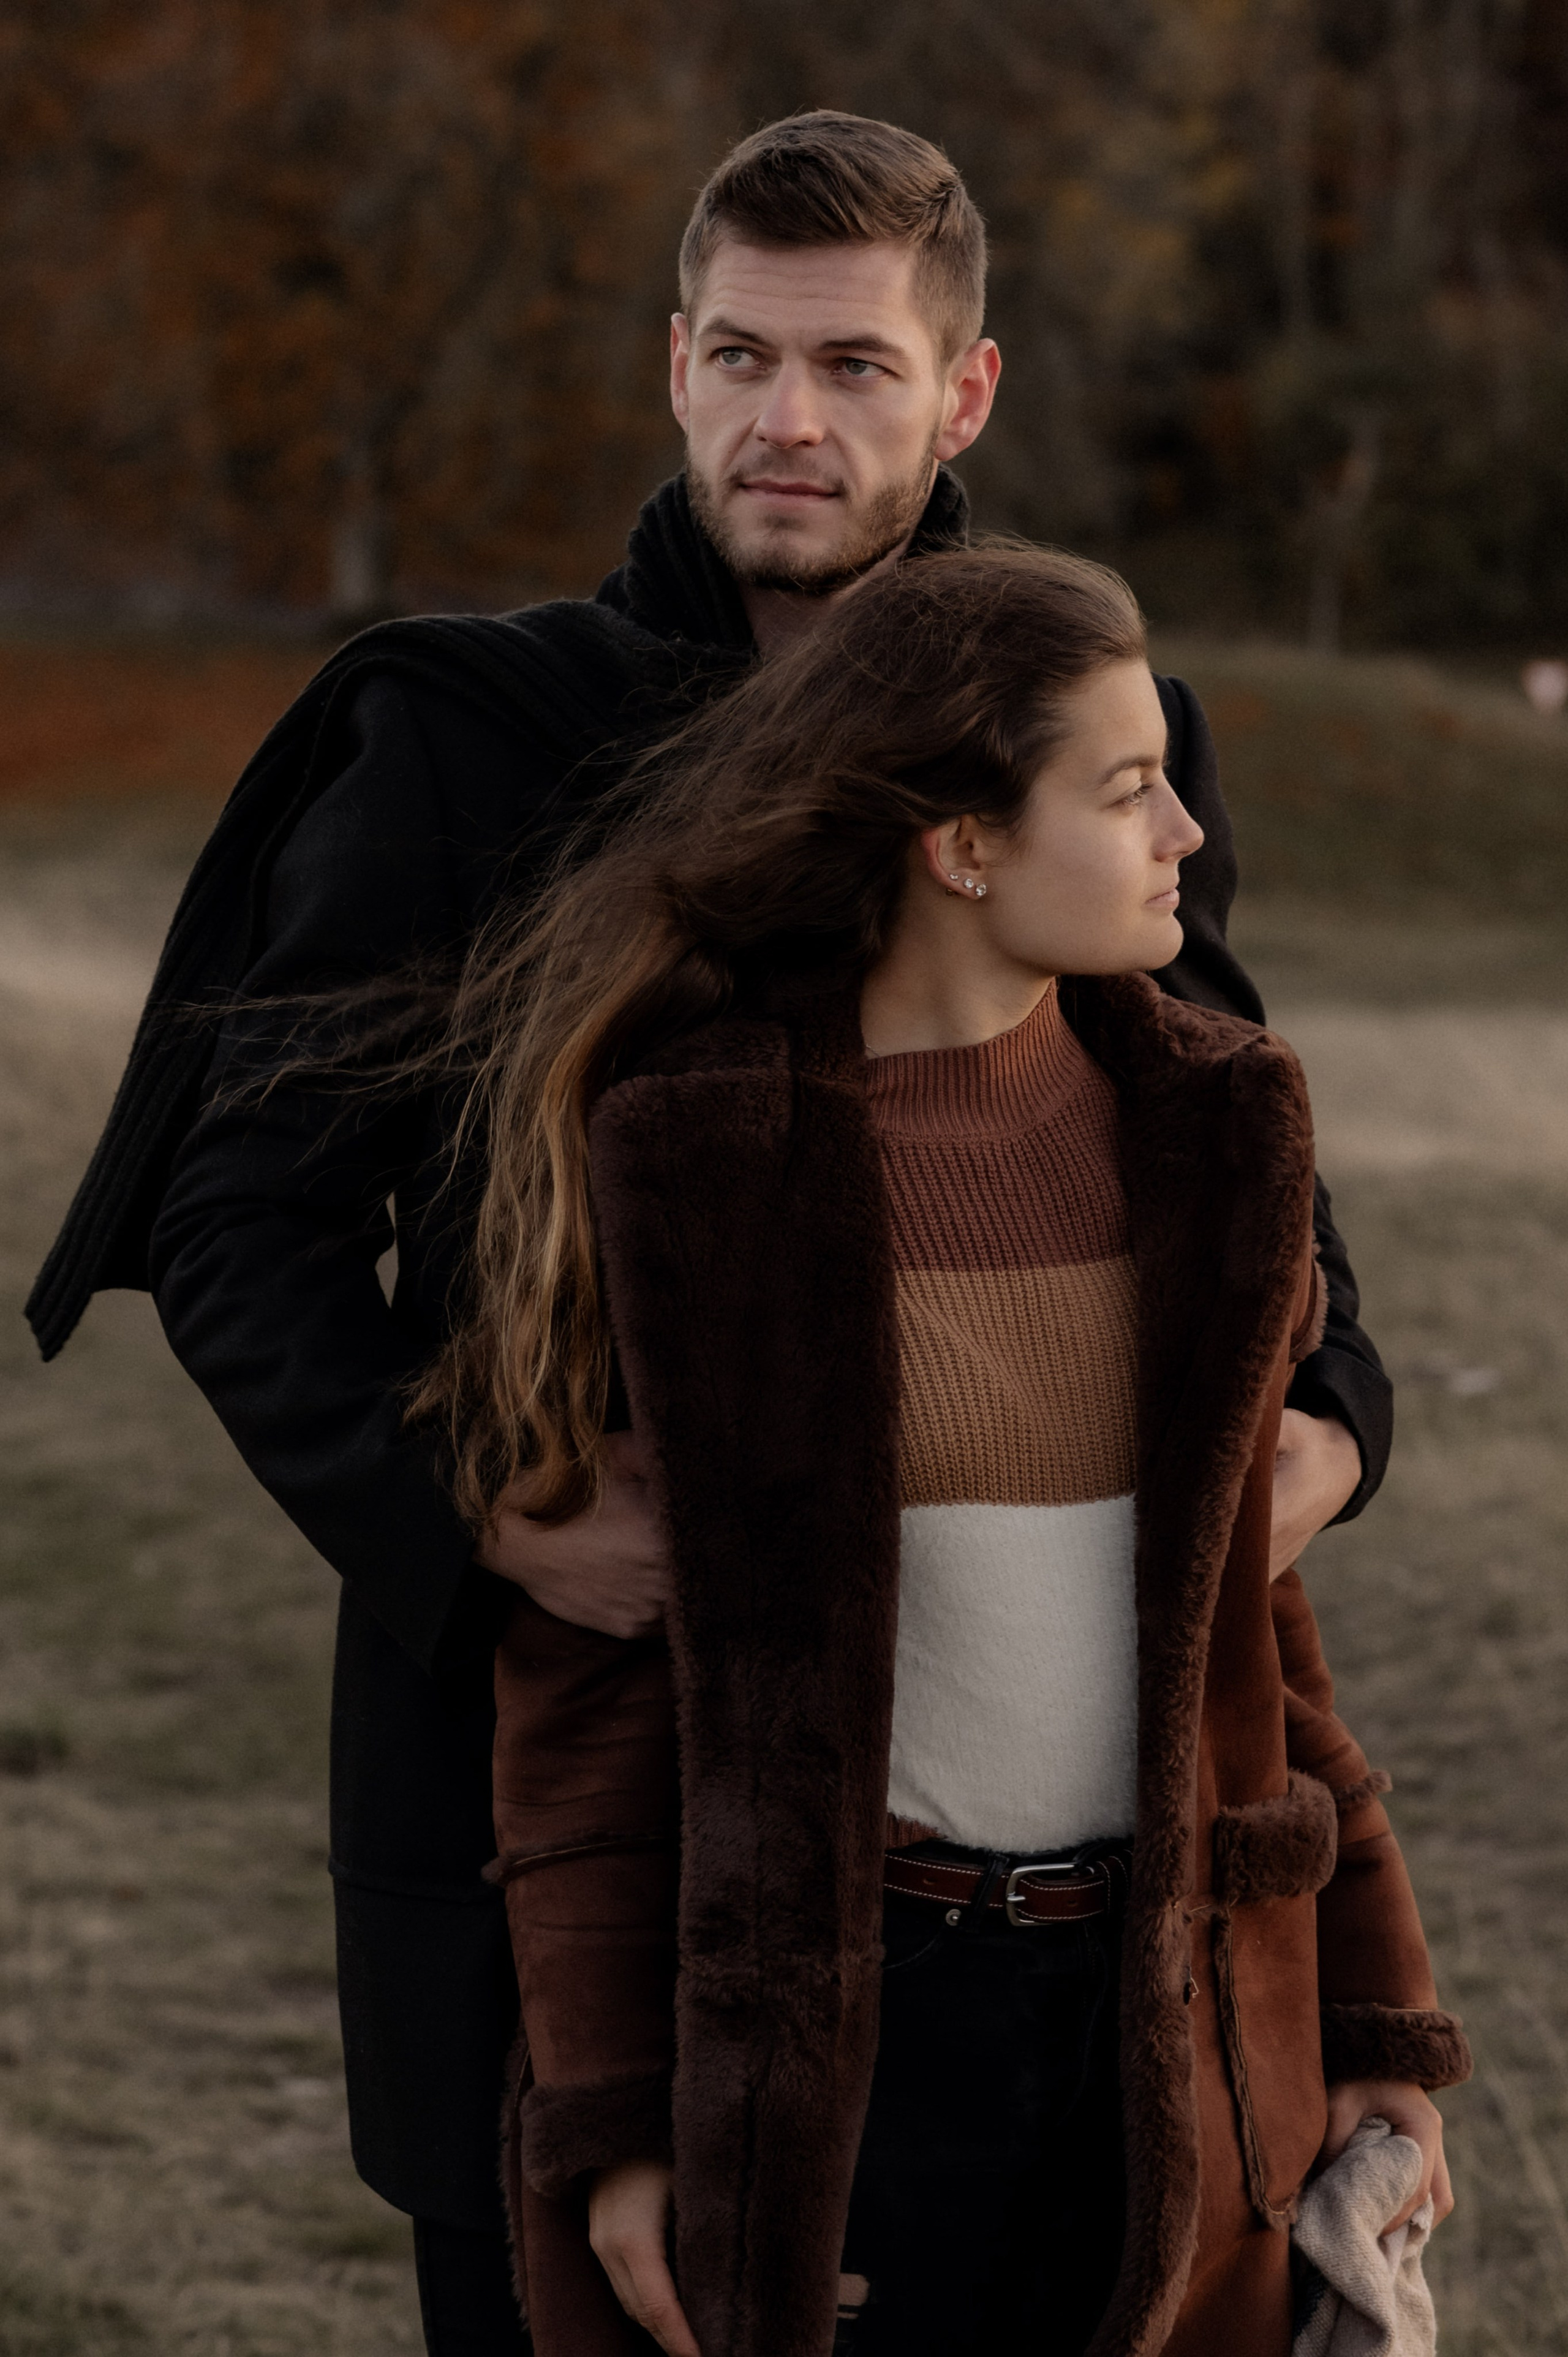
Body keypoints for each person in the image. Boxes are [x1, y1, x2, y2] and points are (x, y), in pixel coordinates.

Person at [26, 115, 1393, 2351]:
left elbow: (1233, 1156)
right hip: (561, 1769)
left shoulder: (1091, 731)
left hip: (1024, 1865)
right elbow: (239, 1217)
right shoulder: (473, 736)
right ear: (675, 363)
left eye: (855, 366)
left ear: (965, 394)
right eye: (742, 355)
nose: (787, 419)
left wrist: (1332, 1417)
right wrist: (483, 1513)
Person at [444, 544, 1466, 2356]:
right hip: (851, 2051)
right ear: (964, 844)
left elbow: (1258, 1643)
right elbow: (591, 1719)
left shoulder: (1218, 1133)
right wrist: (615, 2125)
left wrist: (1378, 2026)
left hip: (1181, 2028)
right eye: (1128, 789)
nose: (1188, 835)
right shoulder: (707, 1161)